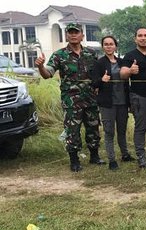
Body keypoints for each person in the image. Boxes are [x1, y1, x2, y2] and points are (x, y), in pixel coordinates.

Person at [35, 22, 105, 172]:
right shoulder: (59, 55)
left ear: (82, 35)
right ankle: (74, 160)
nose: (73, 35)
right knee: (72, 131)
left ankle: (94, 156)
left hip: (91, 99)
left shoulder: (91, 53)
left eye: (76, 32)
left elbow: (98, 74)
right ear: (66, 35)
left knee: (93, 128)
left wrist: (100, 85)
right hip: (72, 101)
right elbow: (48, 74)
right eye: (70, 32)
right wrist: (40, 66)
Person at [120, 27, 146, 168]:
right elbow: (122, 74)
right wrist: (130, 71)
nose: (143, 38)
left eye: (145, 35)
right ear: (135, 39)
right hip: (140, 97)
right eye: (140, 35)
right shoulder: (130, 55)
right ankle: (141, 155)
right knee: (141, 127)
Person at [91, 35, 134, 170]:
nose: (109, 46)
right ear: (103, 46)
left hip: (122, 102)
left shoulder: (122, 62)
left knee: (122, 131)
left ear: (115, 46)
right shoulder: (99, 63)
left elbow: (128, 79)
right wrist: (101, 80)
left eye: (111, 44)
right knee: (109, 132)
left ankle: (125, 154)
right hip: (107, 103)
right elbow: (93, 83)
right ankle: (112, 160)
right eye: (106, 44)